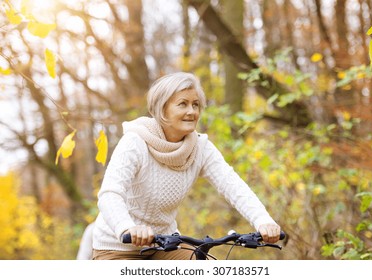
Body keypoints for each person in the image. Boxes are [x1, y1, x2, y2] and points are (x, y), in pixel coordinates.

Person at [92, 72, 281, 260]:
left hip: (164, 246)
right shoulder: (135, 142)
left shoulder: (200, 147)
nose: (192, 111)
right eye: (183, 104)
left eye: (195, 104)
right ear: (162, 109)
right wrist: (127, 227)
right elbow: (110, 194)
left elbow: (232, 185)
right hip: (117, 247)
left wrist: (262, 220)